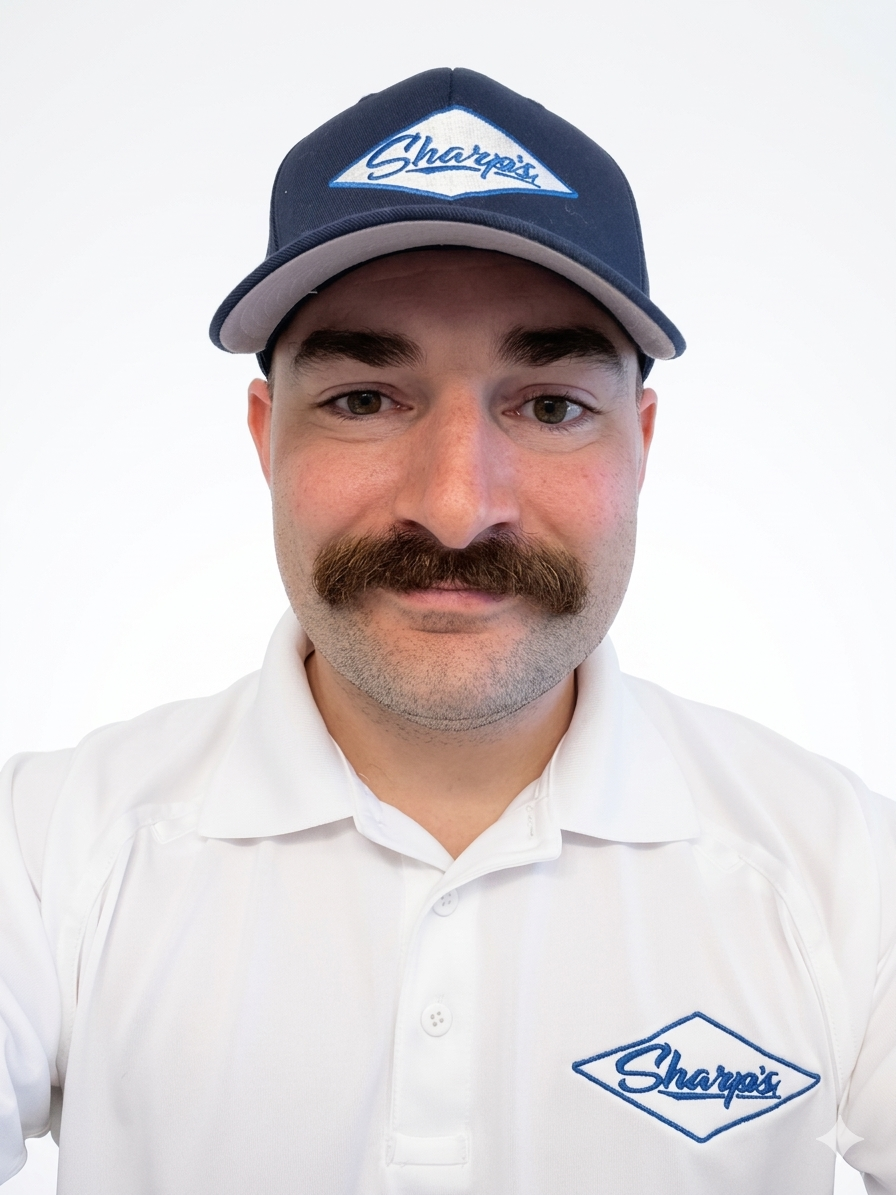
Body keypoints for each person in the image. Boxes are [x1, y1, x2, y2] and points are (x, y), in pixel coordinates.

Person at [1, 67, 893, 1195]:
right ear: (265, 434)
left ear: (641, 442)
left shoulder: (848, 875)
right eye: (365, 401)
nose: (459, 505)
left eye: (552, 405)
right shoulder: (43, 855)